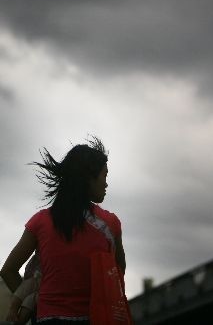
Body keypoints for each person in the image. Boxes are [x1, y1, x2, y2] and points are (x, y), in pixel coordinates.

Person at [0, 137, 127, 325]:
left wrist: (34, 303)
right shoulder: (109, 224)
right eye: (104, 175)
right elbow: (118, 271)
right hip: (95, 318)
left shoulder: (40, 221)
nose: (106, 183)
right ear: (89, 177)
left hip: (48, 319)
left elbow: (8, 270)